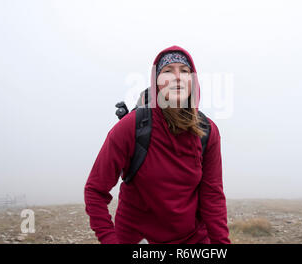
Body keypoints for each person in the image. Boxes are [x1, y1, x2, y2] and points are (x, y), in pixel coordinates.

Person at [84, 45, 230, 244]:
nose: (177, 77)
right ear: (156, 83)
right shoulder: (132, 127)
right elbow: (95, 190)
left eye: (185, 71)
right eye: (168, 71)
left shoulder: (207, 131)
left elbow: (212, 197)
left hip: (192, 240)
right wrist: (111, 240)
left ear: (192, 81)